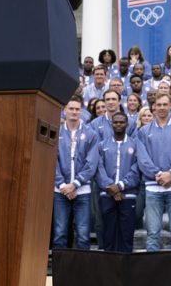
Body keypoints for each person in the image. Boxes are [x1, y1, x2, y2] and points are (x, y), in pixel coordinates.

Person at [135, 93, 171, 251]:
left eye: (164, 104)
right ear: (153, 107)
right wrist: (158, 175)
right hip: (153, 186)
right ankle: (153, 273)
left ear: (170, 106)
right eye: (158, 105)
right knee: (152, 234)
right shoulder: (144, 131)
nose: (161, 108)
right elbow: (143, 159)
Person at [53, 95, 99, 250]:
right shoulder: (56, 131)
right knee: (60, 233)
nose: (74, 112)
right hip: (60, 191)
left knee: (83, 235)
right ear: (64, 110)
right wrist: (63, 185)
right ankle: (60, 272)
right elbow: (53, 161)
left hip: (82, 191)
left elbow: (91, 164)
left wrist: (75, 184)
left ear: (82, 111)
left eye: (77, 109)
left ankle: (83, 272)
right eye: (71, 108)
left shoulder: (91, 134)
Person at [96, 112, 140, 253]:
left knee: (126, 235)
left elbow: (137, 169)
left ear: (127, 124)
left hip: (127, 195)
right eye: (116, 122)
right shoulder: (102, 145)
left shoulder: (135, 144)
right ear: (111, 124)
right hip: (107, 195)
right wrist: (111, 187)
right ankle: (108, 269)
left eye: (122, 122)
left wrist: (120, 186)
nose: (119, 125)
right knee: (108, 234)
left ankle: (126, 268)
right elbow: (99, 168)